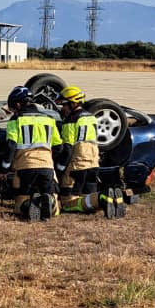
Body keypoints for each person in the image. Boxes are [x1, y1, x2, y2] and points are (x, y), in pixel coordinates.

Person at [3, 85, 60, 221]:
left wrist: (4, 168)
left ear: (17, 104)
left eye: (12, 108)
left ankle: (29, 205)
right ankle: (49, 202)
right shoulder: (49, 120)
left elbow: (11, 146)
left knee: (19, 204)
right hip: (47, 166)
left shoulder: (16, 120)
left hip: (25, 167)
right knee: (56, 207)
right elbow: (59, 146)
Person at [56, 85, 102, 213]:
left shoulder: (70, 121)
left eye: (64, 105)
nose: (62, 109)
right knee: (89, 196)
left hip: (77, 165)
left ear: (72, 104)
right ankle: (103, 199)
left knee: (67, 202)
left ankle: (103, 200)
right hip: (93, 163)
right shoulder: (91, 117)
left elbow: (68, 148)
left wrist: (59, 168)